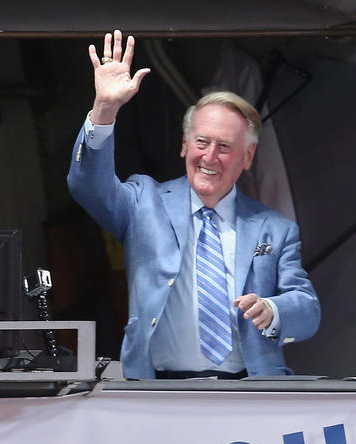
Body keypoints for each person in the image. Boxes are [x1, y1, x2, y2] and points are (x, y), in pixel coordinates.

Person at [67, 31, 320, 379]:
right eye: (202, 142)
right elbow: (87, 186)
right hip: (161, 393)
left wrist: (273, 308)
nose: (210, 157)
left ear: (248, 157)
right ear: (185, 145)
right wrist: (104, 111)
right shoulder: (144, 200)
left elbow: (308, 311)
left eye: (225, 146)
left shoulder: (274, 228)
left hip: (252, 394)